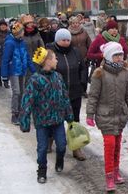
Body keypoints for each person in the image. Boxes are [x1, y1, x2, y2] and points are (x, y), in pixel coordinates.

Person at [86, 42, 128, 191]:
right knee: (110, 145)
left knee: (117, 146)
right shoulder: (99, 74)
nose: (119, 57)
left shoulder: (124, 73)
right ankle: (109, 176)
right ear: (108, 56)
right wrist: (90, 114)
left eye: (121, 54)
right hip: (105, 115)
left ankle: (116, 171)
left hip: (120, 115)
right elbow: (93, 96)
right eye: (116, 55)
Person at [19, 47, 74, 184]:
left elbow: (65, 97)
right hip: (42, 121)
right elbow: (27, 101)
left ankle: (59, 159)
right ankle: (42, 170)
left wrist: (69, 115)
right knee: (42, 147)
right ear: (47, 61)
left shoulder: (58, 77)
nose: (57, 60)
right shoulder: (35, 80)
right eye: (55, 58)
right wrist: (24, 121)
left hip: (57, 119)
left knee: (62, 145)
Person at [48, 28, 89, 161]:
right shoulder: (50, 52)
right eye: (63, 40)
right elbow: (45, 70)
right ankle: (49, 141)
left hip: (74, 93)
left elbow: (83, 68)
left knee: (74, 122)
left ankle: (76, 148)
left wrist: (82, 83)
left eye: (68, 40)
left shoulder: (75, 52)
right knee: (55, 120)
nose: (66, 42)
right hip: (57, 94)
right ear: (57, 40)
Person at [1, 22, 36, 125]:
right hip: (14, 71)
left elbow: (27, 57)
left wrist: (33, 70)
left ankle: (21, 111)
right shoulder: (10, 43)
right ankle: (14, 113)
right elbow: (5, 59)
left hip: (23, 70)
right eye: (22, 31)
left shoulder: (22, 42)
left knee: (22, 91)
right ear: (19, 32)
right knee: (16, 92)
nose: (24, 33)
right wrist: (4, 75)